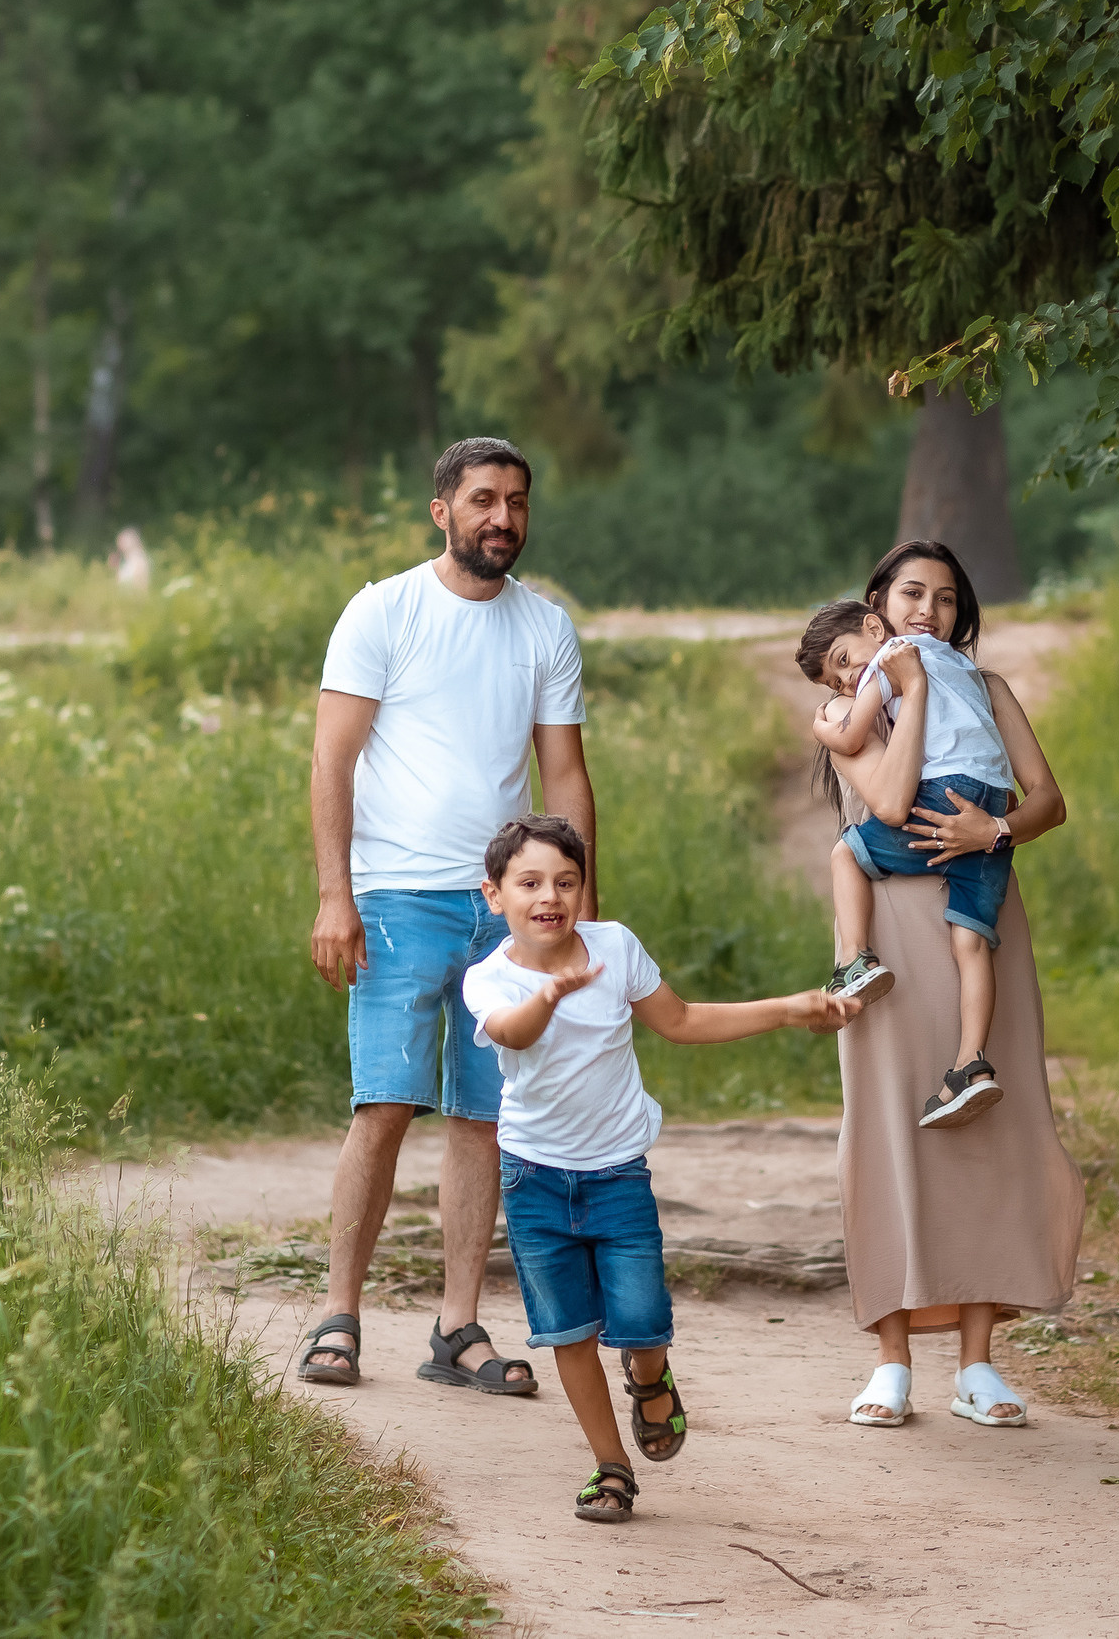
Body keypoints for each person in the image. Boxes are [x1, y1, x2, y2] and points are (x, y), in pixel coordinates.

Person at [297, 437, 594, 1396]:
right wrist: (334, 896)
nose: (501, 517)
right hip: (394, 900)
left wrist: (573, 913)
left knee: (484, 1118)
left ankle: (457, 1325)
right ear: (442, 510)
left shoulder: (546, 628)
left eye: (515, 501)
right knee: (383, 1104)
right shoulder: (384, 610)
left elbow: (566, 774)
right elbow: (331, 761)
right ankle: (338, 1317)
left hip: (504, 912)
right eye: (481, 500)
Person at [463, 814, 859, 1520]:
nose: (549, 895)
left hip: (617, 1172)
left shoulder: (615, 947)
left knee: (642, 1320)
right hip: (533, 1180)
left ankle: (650, 1379)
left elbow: (682, 1020)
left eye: (565, 880)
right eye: (529, 883)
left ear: (584, 889)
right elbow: (509, 1032)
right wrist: (549, 995)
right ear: (495, 895)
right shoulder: (488, 979)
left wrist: (788, 1010)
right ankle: (611, 1468)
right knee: (567, 1331)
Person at [824, 541, 1083, 1430]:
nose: (926, 608)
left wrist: (993, 829)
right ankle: (890, 1357)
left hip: (983, 914)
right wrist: (905, 688)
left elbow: (1047, 799)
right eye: (909, 593)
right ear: (877, 606)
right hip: (891, 932)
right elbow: (885, 805)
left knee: (991, 1129)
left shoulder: (990, 689)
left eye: (944, 596)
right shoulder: (856, 697)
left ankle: (978, 1363)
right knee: (885, 1123)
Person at [797, 599, 1016, 1128]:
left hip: (944, 795)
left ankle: (856, 959)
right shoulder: (960, 665)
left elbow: (851, 736)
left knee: (849, 851)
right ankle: (970, 1065)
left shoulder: (893, 658)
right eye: (835, 681)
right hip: (991, 806)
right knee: (970, 940)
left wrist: (821, 729)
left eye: (844, 661)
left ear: (874, 628)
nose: (849, 681)